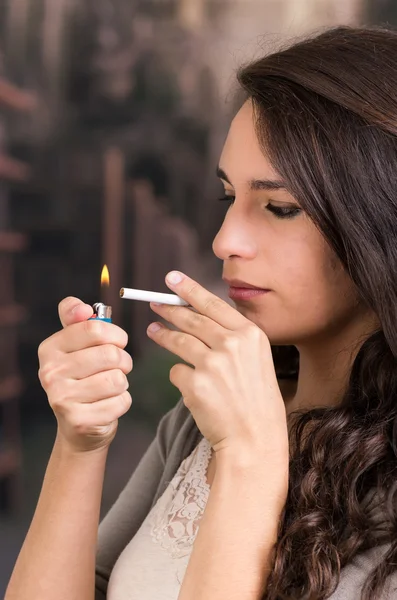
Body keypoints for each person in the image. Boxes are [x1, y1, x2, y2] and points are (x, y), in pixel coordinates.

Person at [5, 24, 397, 600]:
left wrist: (250, 462)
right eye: (227, 197)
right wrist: (80, 444)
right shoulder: (194, 423)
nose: (225, 240)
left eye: (280, 208)